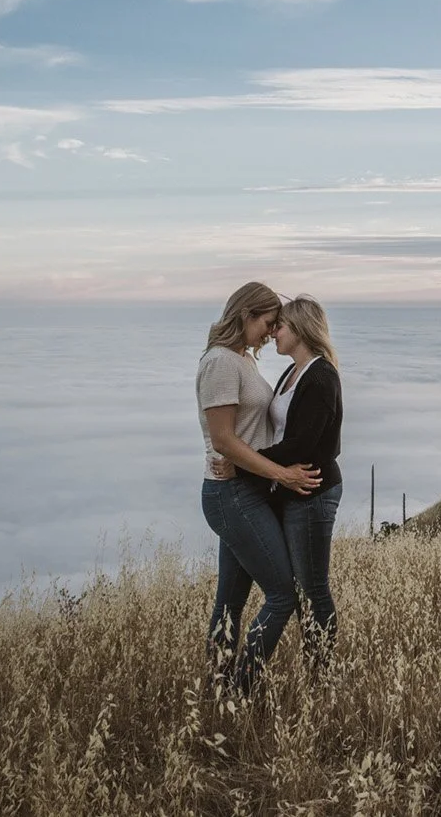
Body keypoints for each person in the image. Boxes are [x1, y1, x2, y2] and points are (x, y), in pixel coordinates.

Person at [197, 282, 319, 691]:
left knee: (229, 603)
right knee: (283, 595)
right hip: (231, 494)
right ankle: (241, 689)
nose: (271, 332)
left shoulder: (242, 359)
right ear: (247, 314)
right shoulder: (220, 362)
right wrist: (282, 474)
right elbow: (223, 440)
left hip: (246, 491)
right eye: (268, 323)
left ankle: (219, 691)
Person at [211, 294, 345, 669]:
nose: (274, 333)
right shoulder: (292, 372)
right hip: (290, 489)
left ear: (300, 329)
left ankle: (321, 671)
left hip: (312, 490)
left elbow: (301, 444)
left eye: (280, 326)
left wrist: (242, 466)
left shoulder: (320, 376)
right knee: (300, 588)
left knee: (312, 588)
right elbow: (282, 435)